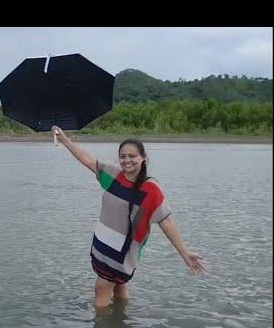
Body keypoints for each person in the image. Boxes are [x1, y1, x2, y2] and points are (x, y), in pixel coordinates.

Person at [51, 125, 206, 312]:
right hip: (104, 243)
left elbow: (167, 221)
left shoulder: (150, 189)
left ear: (143, 158)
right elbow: (88, 161)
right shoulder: (114, 175)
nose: (127, 160)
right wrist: (65, 140)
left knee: (101, 288)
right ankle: (122, 321)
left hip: (124, 250)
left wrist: (185, 253)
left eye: (132, 156)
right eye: (123, 156)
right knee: (118, 286)